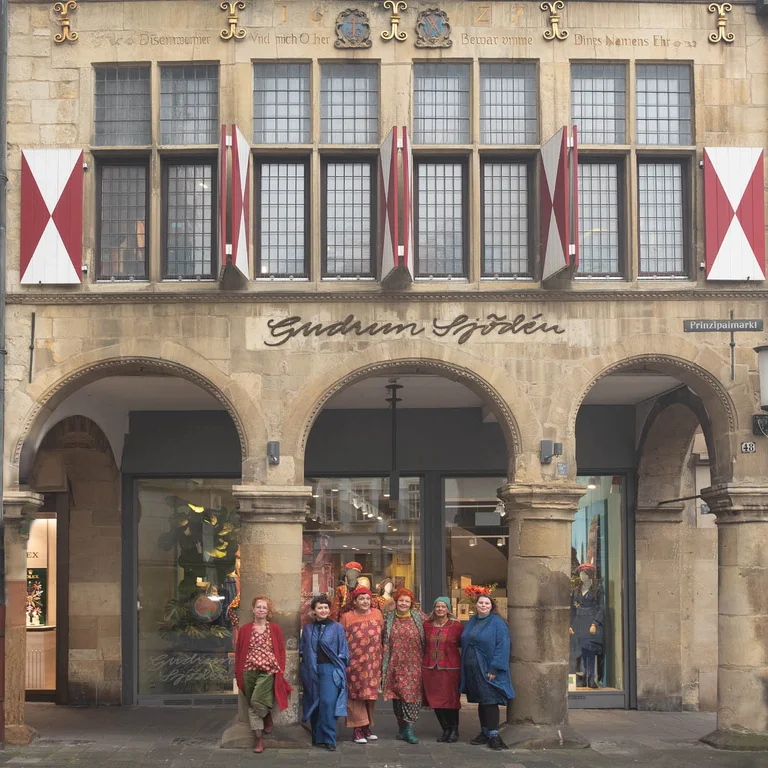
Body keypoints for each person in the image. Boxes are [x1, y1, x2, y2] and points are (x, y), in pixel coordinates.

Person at [234, 596, 293, 754]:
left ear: (268, 611)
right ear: (253, 610)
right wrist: (237, 672)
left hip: (268, 671)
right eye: (258, 607)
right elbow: (239, 652)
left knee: (255, 701)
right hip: (248, 670)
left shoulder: (275, 628)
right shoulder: (245, 629)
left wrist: (281, 669)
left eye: (264, 607)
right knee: (251, 704)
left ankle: (266, 717)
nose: (261, 610)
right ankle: (258, 739)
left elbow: (281, 651)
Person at [460, 595, 515, 751]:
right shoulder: (473, 620)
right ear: (476, 605)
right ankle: (484, 732)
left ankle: (493, 735)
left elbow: (503, 645)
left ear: (491, 606)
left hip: (487, 668)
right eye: (481, 602)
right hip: (473, 669)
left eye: (486, 603)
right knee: (481, 700)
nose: (483, 605)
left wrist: (495, 668)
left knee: (490, 700)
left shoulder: (497, 623)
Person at [300, 594, 349, 751]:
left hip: (330, 670)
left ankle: (329, 738)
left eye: (326, 607)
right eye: (320, 608)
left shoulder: (337, 628)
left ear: (329, 610)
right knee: (314, 701)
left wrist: (338, 667)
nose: (323, 610)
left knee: (328, 702)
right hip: (311, 670)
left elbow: (343, 650)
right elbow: (302, 649)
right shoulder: (308, 629)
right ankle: (316, 737)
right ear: (314, 610)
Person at [339, 585, 383, 744]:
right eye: (361, 599)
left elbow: (382, 635)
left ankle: (366, 727)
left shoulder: (377, 614)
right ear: (355, 601)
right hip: (354, 664)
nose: (365, 601)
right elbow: (340, 639)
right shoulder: (346, 617)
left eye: (367, 598)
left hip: (373, 663)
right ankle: (357, 729)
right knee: (355, 696)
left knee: (370, 696)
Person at [382, 587, 425, 745]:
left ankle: (409, 730)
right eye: (401, 600)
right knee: (398, 697)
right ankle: (401, 729)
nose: (404, 603)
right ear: (396, 601)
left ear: (411, 603)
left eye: (407, 601)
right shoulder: (388, 618)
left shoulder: (419, 617)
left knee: (412, 697)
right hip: (395, 663)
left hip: (414, 663)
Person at [422, 596, 463, 742]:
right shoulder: (427, 625)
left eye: (443, 606)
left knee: (451, 700)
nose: (440, 609)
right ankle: (445, 729)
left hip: (450, 668)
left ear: (448, 609)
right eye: (437, 606)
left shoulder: (456, 626)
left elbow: (463, 644)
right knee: (435, 700)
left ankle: (454, 730)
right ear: (434, 609)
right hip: (430, 668)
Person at [569, 563, 604, 689]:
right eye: (581, 574)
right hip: (579, 622)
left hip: (590, 622)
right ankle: (583, 676)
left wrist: (595, 623)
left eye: (584, 574)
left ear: (589, 575)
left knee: (591, 651)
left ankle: (591, 677)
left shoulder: (597, 590)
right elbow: (572, 609)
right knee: (582, 651)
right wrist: (571, 625)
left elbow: (601, 608)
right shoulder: (576, 590)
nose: (581, 576)